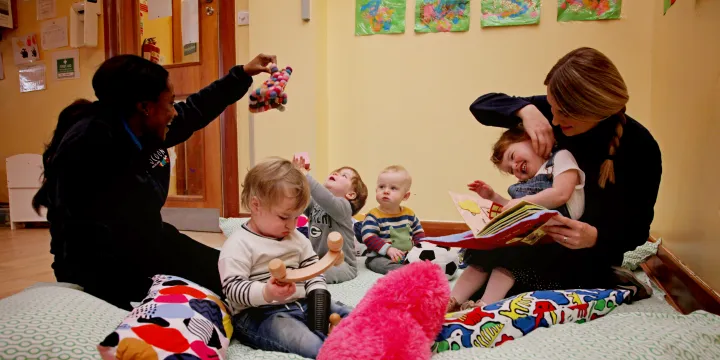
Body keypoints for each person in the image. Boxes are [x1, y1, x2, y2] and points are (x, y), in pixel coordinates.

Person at [32, 53, 277, 310]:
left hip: (145, 240)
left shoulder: (139, 125)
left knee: (231, 273)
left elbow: (194, 110)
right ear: (144, 106)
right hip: (98, 265)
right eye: (169, 103)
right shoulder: (89, 145)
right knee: (194, 299)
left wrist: (242, 74)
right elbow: (81, 239)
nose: (174, 112)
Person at [451, 47, 662, 306]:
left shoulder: (640, 147)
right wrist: (526, 111)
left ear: (594, 108)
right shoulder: (550, 113)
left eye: (564, 113)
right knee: (484, 255)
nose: (554, 119)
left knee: (518, 275)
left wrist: (593, 237)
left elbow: (637, 230)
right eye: (551, 108)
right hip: (536, 239)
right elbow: (481, 105)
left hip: (582, 252)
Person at [220, 158, 351, 359]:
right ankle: (337, 351)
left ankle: (373, 335)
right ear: (256, 206)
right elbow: (233, 288)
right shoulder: (239, 244)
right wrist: (267, 292)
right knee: (308, 343)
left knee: (350, 313)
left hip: (304, 302)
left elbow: (313, 270)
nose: (291, 225)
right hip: (262, 314)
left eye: (296, 217)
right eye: (284, 217)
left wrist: (318, 296)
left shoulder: (297, 238)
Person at [448, 127, 585, 312]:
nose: (514, 167)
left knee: (511, 258)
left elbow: (561, 193)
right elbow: (511, 207)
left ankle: (485, 306)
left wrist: (521, 202)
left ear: (531, 139)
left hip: (555, 242)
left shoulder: (560, 158)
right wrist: (493, 197)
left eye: (512, 156)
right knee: (483, 251)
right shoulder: (527, 184)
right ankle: (451, 301)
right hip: (529, 237)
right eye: (510, 170)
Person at [293, 156, 368, 284]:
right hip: (316, 260)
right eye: (336, 173)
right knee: (298, 265)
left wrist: (307, 177)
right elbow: (300, 199)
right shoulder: (316, 203)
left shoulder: (344, 207)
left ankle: (300, 281)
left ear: (350, 194)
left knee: (314, 275)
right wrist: (297, 178)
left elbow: (326, 198)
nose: (335, 174)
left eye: (344, 176)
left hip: (342, 265)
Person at [361, 165, 427, 275]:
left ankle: (414, 268)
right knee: (380, 264)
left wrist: (419, 250)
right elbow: (368, 236)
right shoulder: (373, 215)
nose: (386, 191)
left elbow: (418, 233)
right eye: (382, 187)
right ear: (376, 190)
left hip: (406, 255)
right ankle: (404, 271)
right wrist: (387, 249)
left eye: (393, 188)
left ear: (405, 196)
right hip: (380, 256)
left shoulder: (409, 214)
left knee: (425, 261)